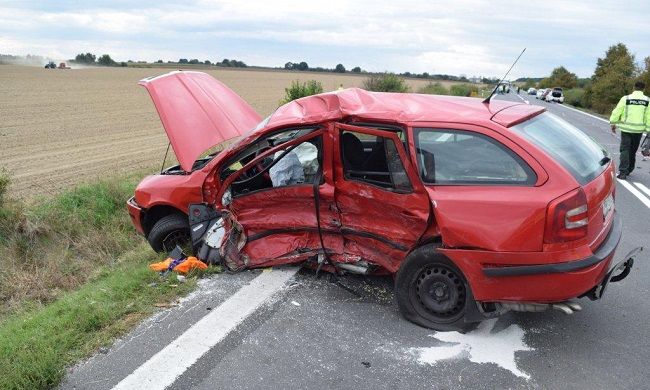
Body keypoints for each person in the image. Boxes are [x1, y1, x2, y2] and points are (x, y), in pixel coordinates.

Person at [610, 80, 650, 179]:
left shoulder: (626, 98)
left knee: (625, 150)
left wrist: (613, 122)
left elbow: (617, 111)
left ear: (633, 87)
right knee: (633, 150)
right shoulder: (647, 100)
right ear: (643, 89)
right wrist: (649, 129)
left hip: (626, 129)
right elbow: (649, 116)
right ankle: (630, 169)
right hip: (639, 130)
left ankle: (623, 172)